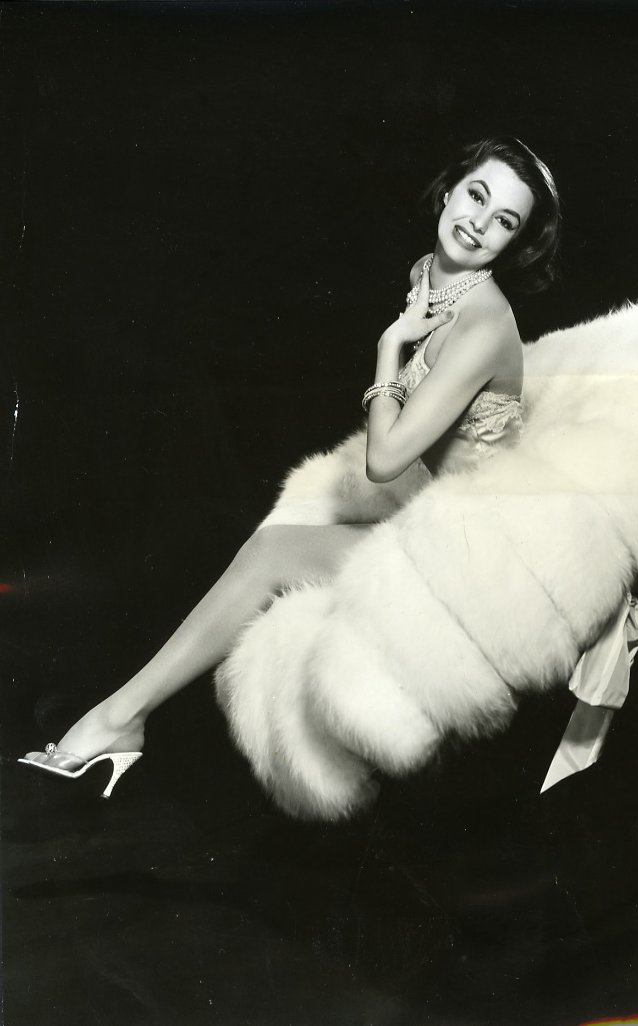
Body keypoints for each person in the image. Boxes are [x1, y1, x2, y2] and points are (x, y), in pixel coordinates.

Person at [20, 136, 561, 795]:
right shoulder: (430, 274)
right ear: (449, 191)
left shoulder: (484, 326)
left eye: (503, 220)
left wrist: (390, 347)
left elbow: (386, 459)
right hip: (429, 519)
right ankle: (122, 719)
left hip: (476, 554)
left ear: (514, 243)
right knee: (263, 546)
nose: (477, 223)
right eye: (476, 195)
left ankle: (119, 719)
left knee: (272, 553)